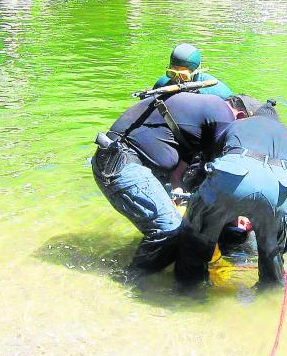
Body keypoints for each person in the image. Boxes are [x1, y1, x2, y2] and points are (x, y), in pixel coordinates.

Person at [91, 92, 235, 277]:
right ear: (240, 115)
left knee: (174, 229)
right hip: (122, 163)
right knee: (170, 230)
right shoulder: (225, 115)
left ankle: (148, 276)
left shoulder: (199, 120)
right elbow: (221, 176)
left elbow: (178, 175)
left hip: (114, 161)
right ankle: (130, 282)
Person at [175, 96, 287, 288]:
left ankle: (188, 292)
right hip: (279, 188)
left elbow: (210, 161)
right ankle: (268, 299)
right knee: (271, 252)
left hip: (234, 176)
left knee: (195, 239)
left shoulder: (238, 125)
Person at [152, 43, 233, 99]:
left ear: (196, 72)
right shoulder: (162, 85)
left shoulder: (218, 92)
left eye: (183, 75)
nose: (177, 80)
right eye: (172, 73)